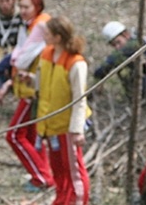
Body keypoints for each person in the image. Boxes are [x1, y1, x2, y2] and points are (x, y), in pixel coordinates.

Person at [0, 0, 54, 192]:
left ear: (37, 8)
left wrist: (15, 61)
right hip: (27, 88)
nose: (22, 11)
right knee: (31, 138)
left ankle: (42, 176)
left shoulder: (40, 26)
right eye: (20, 7)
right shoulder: (28, 25)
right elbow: (19, 51)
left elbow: (22, 58)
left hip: (33, 91)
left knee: (14, 135)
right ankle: (42, 175)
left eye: (26, 7)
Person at [34, 15, 90, 205]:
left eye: (48, 33)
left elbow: (79, 100)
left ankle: (79, 201)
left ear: (58, 37)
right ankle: (62, 200)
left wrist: (77, 130)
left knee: (74, 171)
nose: (45, 36)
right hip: (51, 125)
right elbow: (41, 84)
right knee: (58, 170)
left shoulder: (76, 63)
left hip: (67, 127)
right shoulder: (46, 54)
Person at [93, 21, 146, 103]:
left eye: (118, 42)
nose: (117, 47)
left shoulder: (133, 46)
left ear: (126, 35)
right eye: (114, 45)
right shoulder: (137, 41)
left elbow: (102, 69)